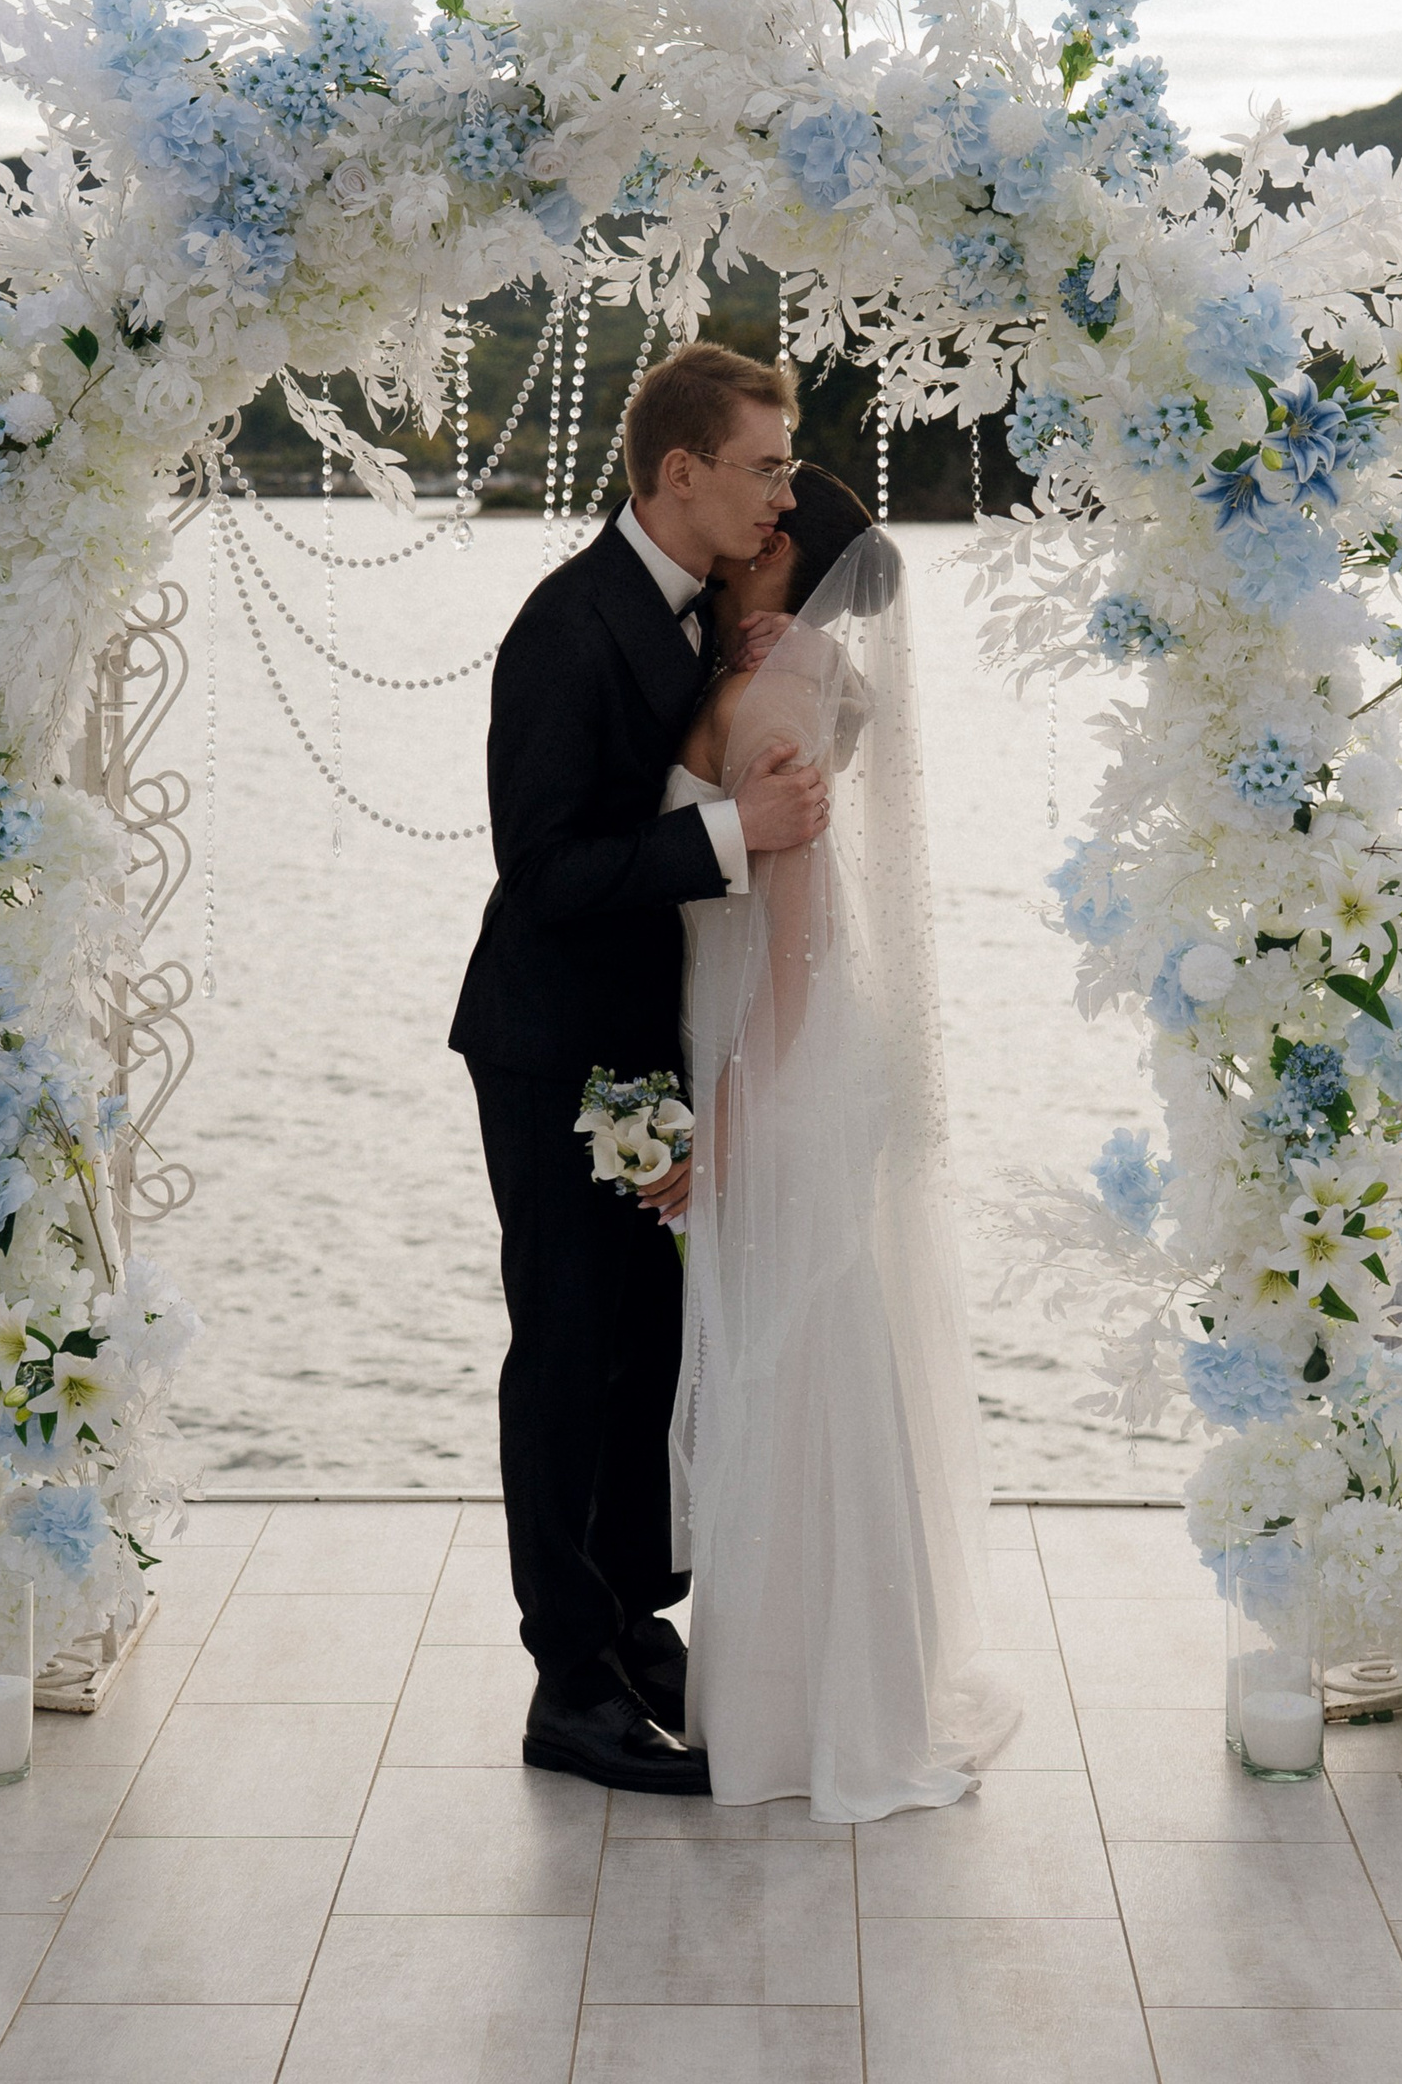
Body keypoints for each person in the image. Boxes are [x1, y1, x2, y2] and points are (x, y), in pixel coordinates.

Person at [451, 341, 828, 1796]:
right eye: (760, 466)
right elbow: (539, 871)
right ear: (679, 471)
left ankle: (622, 1623)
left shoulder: (693, 615)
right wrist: (744, 836)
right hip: (549, 1048)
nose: (779, 494)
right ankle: (566, 1681)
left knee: (643, 1356)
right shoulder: (569, 622)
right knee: (563, 1357)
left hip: (641, 1049)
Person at [641, 466, 1018, 1818]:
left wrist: (725, 1125)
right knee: (801, 1356)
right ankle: (832, 1683)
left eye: (763, 511)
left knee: (794, 1367)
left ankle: (815, 1707)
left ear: (784, 547)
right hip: (789, 1055)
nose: (741, 522)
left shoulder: (780, 695)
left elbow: (792, 949)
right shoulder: (788, 669)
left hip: (782, 1062)